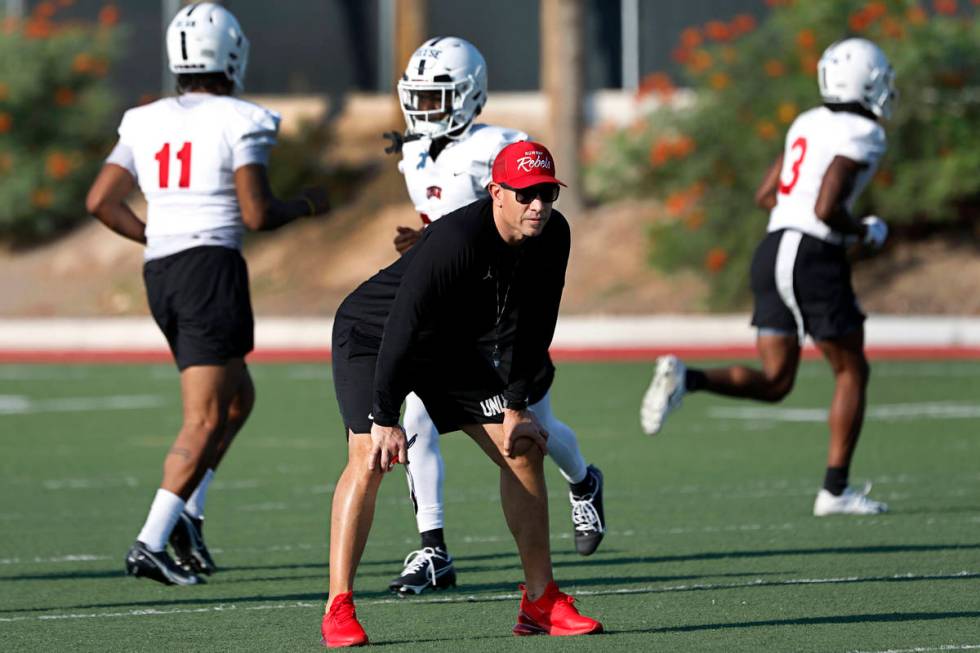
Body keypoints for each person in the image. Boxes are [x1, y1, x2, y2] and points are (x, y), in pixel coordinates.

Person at [321, 141, 603, 647]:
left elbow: (538, 323)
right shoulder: (457, 238)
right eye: (525, 194)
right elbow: (402, 327)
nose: (538, 205)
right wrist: (384, 416)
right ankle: (339, 607)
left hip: (447, 346)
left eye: (547, 194)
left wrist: (516, 406)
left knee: (522, 450)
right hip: (373, 337)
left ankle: (541, 601)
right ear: (496, 192)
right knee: (367, 457)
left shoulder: (552, 234)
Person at [85, 2, 329, 586]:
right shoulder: (241, 117)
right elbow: (256, 211)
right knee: (204, 416)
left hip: (162, 272)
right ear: (233, 54)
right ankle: (151, 539)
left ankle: (187, 517)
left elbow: (101, 201)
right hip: (207, 269)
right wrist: (310, 204)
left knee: (237, 399)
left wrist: (158, 234)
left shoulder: (143, 119)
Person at [383, 36, 605, 596]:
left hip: (500, 312)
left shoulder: (500, 146)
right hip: (448, 314)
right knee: (414, 420)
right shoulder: (414, 151)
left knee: (535, 430)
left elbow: (522, 208)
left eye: (439, 97)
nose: (425, 109)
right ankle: (433, 549)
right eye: (421, 98)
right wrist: (423, 238)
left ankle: (584, 480)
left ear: (470, 94)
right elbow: (447, 224)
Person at [640, 38, 895, 517]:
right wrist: (865, 229)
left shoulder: (807, 121)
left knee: (778, 382)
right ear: (865, 81)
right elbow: (827, 206)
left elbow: (766, 194)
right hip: (813, 254)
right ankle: (834, 491)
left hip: (773, 245)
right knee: (851, 370)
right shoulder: (865, 131)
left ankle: (687, 380)